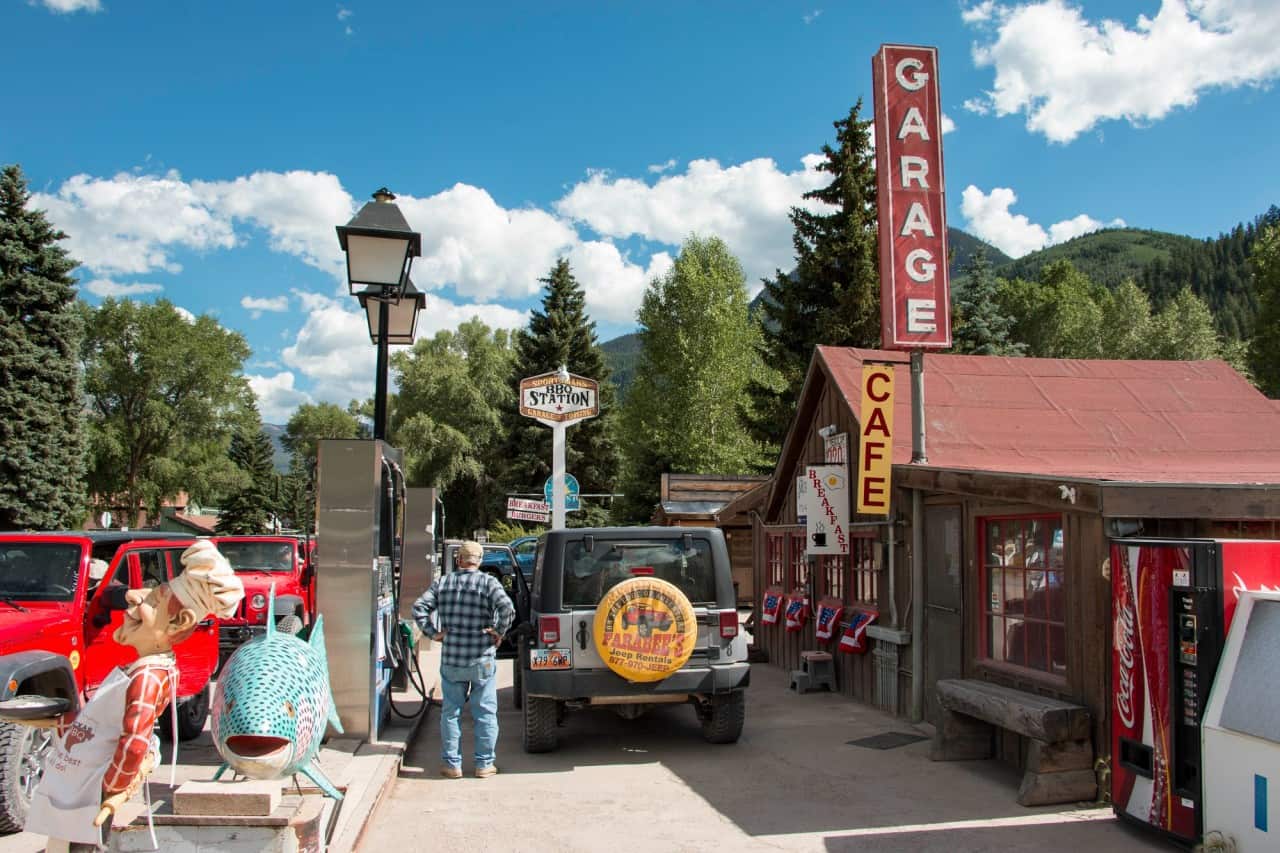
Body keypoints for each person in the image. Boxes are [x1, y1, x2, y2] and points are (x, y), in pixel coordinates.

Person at [14, 540, 244, 852]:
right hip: (80, 779)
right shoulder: (142, 668)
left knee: (74, 844)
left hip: (89, 788)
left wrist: (112, 786)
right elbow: (105, 721)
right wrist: (61, 720)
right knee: (65, 842)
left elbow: (135, 741)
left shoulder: (147, 676)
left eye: (153, 599)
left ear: (179, 622)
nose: (133, 598)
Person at [413, 540, 514, 779]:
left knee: (450, 713)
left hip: (452, 658)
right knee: (485, 713)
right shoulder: (489, 583)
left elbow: (419, 608)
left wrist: (434, 633)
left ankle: (452, 765)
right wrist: (498, 632)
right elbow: (507, 608)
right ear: (480, 561)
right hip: (482, 658)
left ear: (458, 560)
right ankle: (484, 764)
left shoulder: (443, 583)